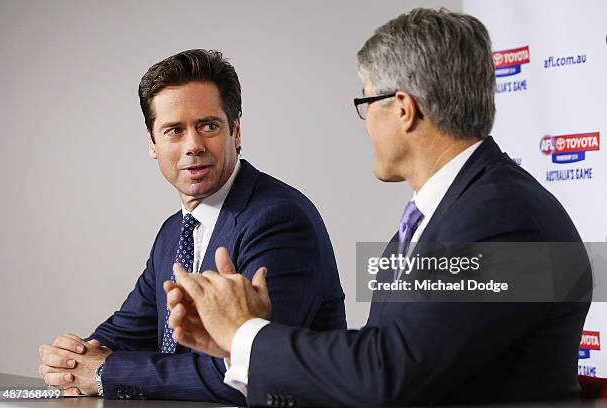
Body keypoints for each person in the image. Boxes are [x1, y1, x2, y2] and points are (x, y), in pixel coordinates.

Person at [165, 9, 591, 407]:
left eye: (367, 104)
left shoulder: (504, 218)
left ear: (404, 109)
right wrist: (236, 347)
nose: (366, 124)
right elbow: (374, 367)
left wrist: (248, 334)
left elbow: (388, 374)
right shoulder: (442, 217)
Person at [37, 49, 346, 403]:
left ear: (236, 130)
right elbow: (127, 330)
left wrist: (105, 371)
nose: (193, 146)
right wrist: (73, 358)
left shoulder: (278, 219)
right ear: (152, 143)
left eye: (208, 126)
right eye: (174, 131)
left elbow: (248, 368)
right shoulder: (175, 232)